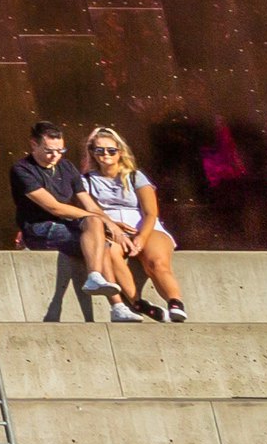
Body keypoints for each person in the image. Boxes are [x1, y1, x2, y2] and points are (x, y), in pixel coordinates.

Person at [9, 122, 150, 324]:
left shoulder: (66, 166)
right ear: (34, 145)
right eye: (49, 151)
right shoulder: (22, 170)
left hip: (66, 225)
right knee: (98, 235)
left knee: (101, 235)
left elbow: (88, 203)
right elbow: (54, 207)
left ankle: (113, 301)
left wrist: (110, 224)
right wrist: (100, 220)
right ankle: (112, 299)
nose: (55, 156)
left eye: (60, 150)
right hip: (39, 229)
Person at [80, 128, 189, 323]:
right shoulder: (86, 180)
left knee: (156, 261)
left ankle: (175, 303)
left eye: (111, 150)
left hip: (144, 226)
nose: (106, 154)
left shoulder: (134, 176)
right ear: (92, 153)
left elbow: (150, 212)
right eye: (100, 150)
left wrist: (141, 238)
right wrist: (113, 226)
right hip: (112, 228)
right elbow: (91, 210)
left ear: (120, 152)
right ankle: (137, 302)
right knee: (109, 253)